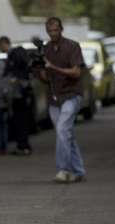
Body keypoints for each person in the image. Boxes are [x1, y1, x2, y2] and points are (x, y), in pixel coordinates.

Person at [38, 17, 86, 183]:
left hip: (71, 95)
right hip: (54, 98)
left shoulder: (72, 46)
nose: (53, 33)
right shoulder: (44, 49)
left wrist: (53, 68)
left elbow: (76, 73)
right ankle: (78, 170)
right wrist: (41, 70)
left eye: (56, 30)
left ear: (61, 29)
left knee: (62, 130)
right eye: (50, 31)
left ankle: (63, 170)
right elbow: (43, 77)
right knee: (66, 134)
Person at [0, 36, 33, 156]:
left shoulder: (15, 55)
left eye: (1, 46)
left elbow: (16, 72)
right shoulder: (14, 56)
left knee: (20, 120)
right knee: (20, 120)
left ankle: (23, 145)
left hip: (19, 94)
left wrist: (14, 79)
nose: (0, 49)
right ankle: (22, 145)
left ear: (5, 44)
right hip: (20, 94)